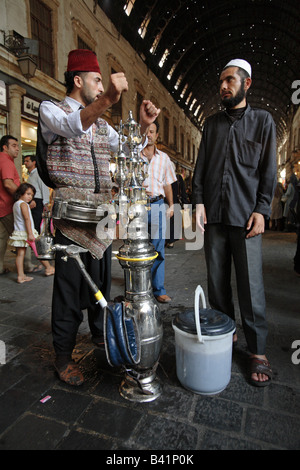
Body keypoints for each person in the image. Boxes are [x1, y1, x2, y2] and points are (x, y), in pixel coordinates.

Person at [38, 49, 160, 386]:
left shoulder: (103, 126)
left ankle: (101, 338)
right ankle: (62, 357)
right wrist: (109, 98)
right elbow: (72, 126)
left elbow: (127, 150)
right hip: (71, 222)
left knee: (100, 290)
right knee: (68, 292)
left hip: (102, 223)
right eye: (96, 80)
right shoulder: (52, 110)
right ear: (78, 81)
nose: (100, 85)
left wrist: (143, 124)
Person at [192, 58, 276, 387]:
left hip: (246, 219)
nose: (223, 86)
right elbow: (200, 169)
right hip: (214, 215)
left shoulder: (263, 122)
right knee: (216, 283)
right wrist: (198, 202)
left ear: (247, 83)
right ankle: (227, 332)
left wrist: (262, 209)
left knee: (250, 286)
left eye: (229, 80)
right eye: (221, 81)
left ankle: (257, 351)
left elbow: (268, 170)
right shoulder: (211, 125)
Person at [141, 121, 176, 303]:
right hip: (137, 206)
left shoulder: (164, 158)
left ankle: (158, 289)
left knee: (158, 248)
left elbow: (167, 183)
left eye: (152, 132)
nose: (149, 135)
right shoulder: (134, 155)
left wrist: (171, 205)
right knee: (136, 248)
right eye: (146, 131)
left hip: (157, 205)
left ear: (157, 135)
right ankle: (138, 287)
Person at [0, 135, 37, 275]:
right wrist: (24, 196)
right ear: (5, 147)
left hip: (2, 207)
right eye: (14, 146)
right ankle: (27, 266)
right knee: (24, 235)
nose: (17, 149)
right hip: (7, 205)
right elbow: (8, 184)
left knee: (2, 238)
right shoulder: (6, 161)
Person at [8, 183, 54, 283]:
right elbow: (27, 219)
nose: (30, 197)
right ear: (21, 193)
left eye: (32, 195)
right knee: (39, 251)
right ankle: (49, 268)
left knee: (20, 255)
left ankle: (21, 276)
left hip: (19, 233)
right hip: (27, 232)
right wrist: (30, 234)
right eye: (28, 194)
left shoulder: (17, 204)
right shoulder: (24, 205)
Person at [24, 155, 50, 232]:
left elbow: (44, 188)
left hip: (38, 202)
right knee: (32, 223)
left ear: (34, 162)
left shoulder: (38, 174)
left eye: (27, 161)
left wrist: (45, 203)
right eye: (24, 161)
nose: (25, 163)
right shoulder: (30, 175)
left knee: (37, 224)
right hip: (32, 201)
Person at [165, 163, 189, 248]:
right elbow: (183, 192)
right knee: (173, 223)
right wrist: (185, 204)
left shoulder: (166, 178)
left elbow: (182, 191)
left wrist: (185, 203)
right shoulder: (178, 178)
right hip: (174, 203)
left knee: (169, 223)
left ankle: (168, 240)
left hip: (166, 203)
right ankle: (170, 242)